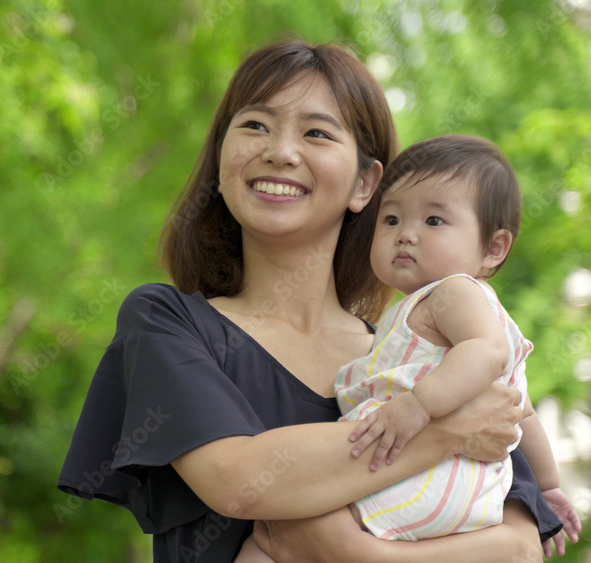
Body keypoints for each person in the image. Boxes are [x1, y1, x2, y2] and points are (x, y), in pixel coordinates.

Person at [58, 39, 562, 562]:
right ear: (221, 157)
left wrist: (367, 558)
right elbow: (240, 481)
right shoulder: (171, 324)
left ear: (366, 183)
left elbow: (523, 548)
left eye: (317, 132)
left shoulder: (418, 349)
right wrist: (447, 433)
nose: (279, 151)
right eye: (255, 125)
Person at [235, 135, 582, 562]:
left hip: (420, 481)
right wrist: (548, 487)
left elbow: (486, 351)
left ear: (493, 248)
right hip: (463, 498)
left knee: (271, 534)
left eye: (434, 222)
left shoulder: (452, 293)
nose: (407, 236)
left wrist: (419, 404)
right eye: (393, 219)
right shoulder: (438, 308)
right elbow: (521, 410)